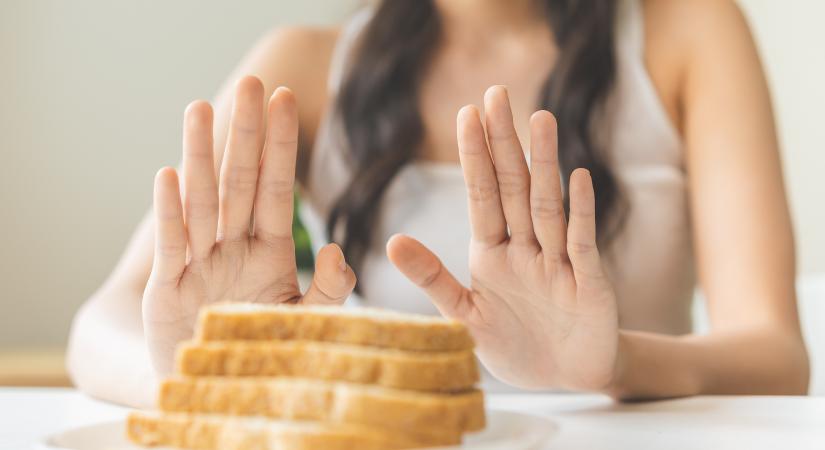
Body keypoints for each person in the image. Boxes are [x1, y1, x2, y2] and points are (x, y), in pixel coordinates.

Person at [68, 0, 809, 407]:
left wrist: (611, 363)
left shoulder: (686, 30)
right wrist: (203, 375)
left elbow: (776, 356)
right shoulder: (306, 67)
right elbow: (99, 325)